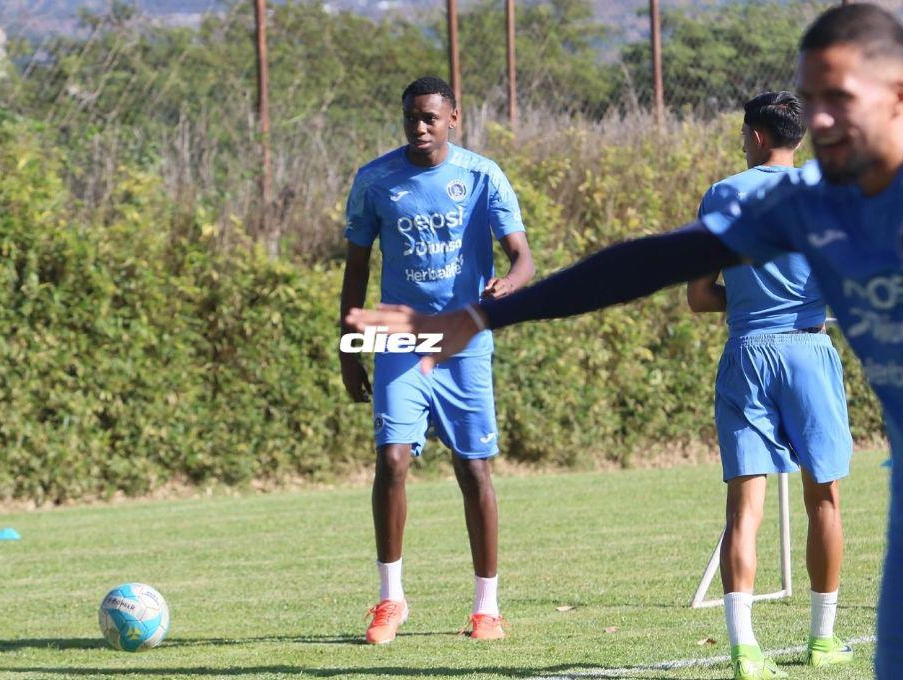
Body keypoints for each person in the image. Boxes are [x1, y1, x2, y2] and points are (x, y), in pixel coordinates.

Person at [345, 5, 903, 676]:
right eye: (809, 100)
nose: (818, 121)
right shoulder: (799, 202)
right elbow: (641, 266)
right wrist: (487, 317)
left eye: (836, 98)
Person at [339, 76, 535, 644]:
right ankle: (390, 600)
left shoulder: (481, 176)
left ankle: (486, 607)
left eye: (429, 117)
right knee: (392, 460)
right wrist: (348, 349)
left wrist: (512, 283)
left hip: (464, 343)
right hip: (399, 339)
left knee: (473, 469)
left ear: (454, 118)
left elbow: (520, 254)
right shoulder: (375, 180)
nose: (419, 128)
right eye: (410, 118)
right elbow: (355, 270)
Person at [687, 91, 853, 678]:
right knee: (824, 499)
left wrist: (751, 301)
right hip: (808, 350)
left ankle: (744, 649)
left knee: (744, 509)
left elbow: (699, 295)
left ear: (757, 136)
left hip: (747, 353)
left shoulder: (723, 194)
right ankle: (822, 639)